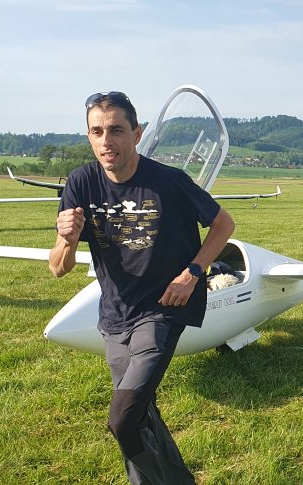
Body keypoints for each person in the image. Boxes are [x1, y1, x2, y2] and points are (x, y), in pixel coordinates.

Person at [50, 91, 235, 484]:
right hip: (115, 315)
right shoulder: (81, 182)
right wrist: (67, 239)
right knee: (140, 412)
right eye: (97, 132)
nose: (106, 141)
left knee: (123, 418)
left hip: (163, 309)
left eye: (116, 130)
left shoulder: (169, 182)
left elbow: (224, 224)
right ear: (89, 137)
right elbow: (58, 268)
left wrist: (192, 274)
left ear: (136, 134)